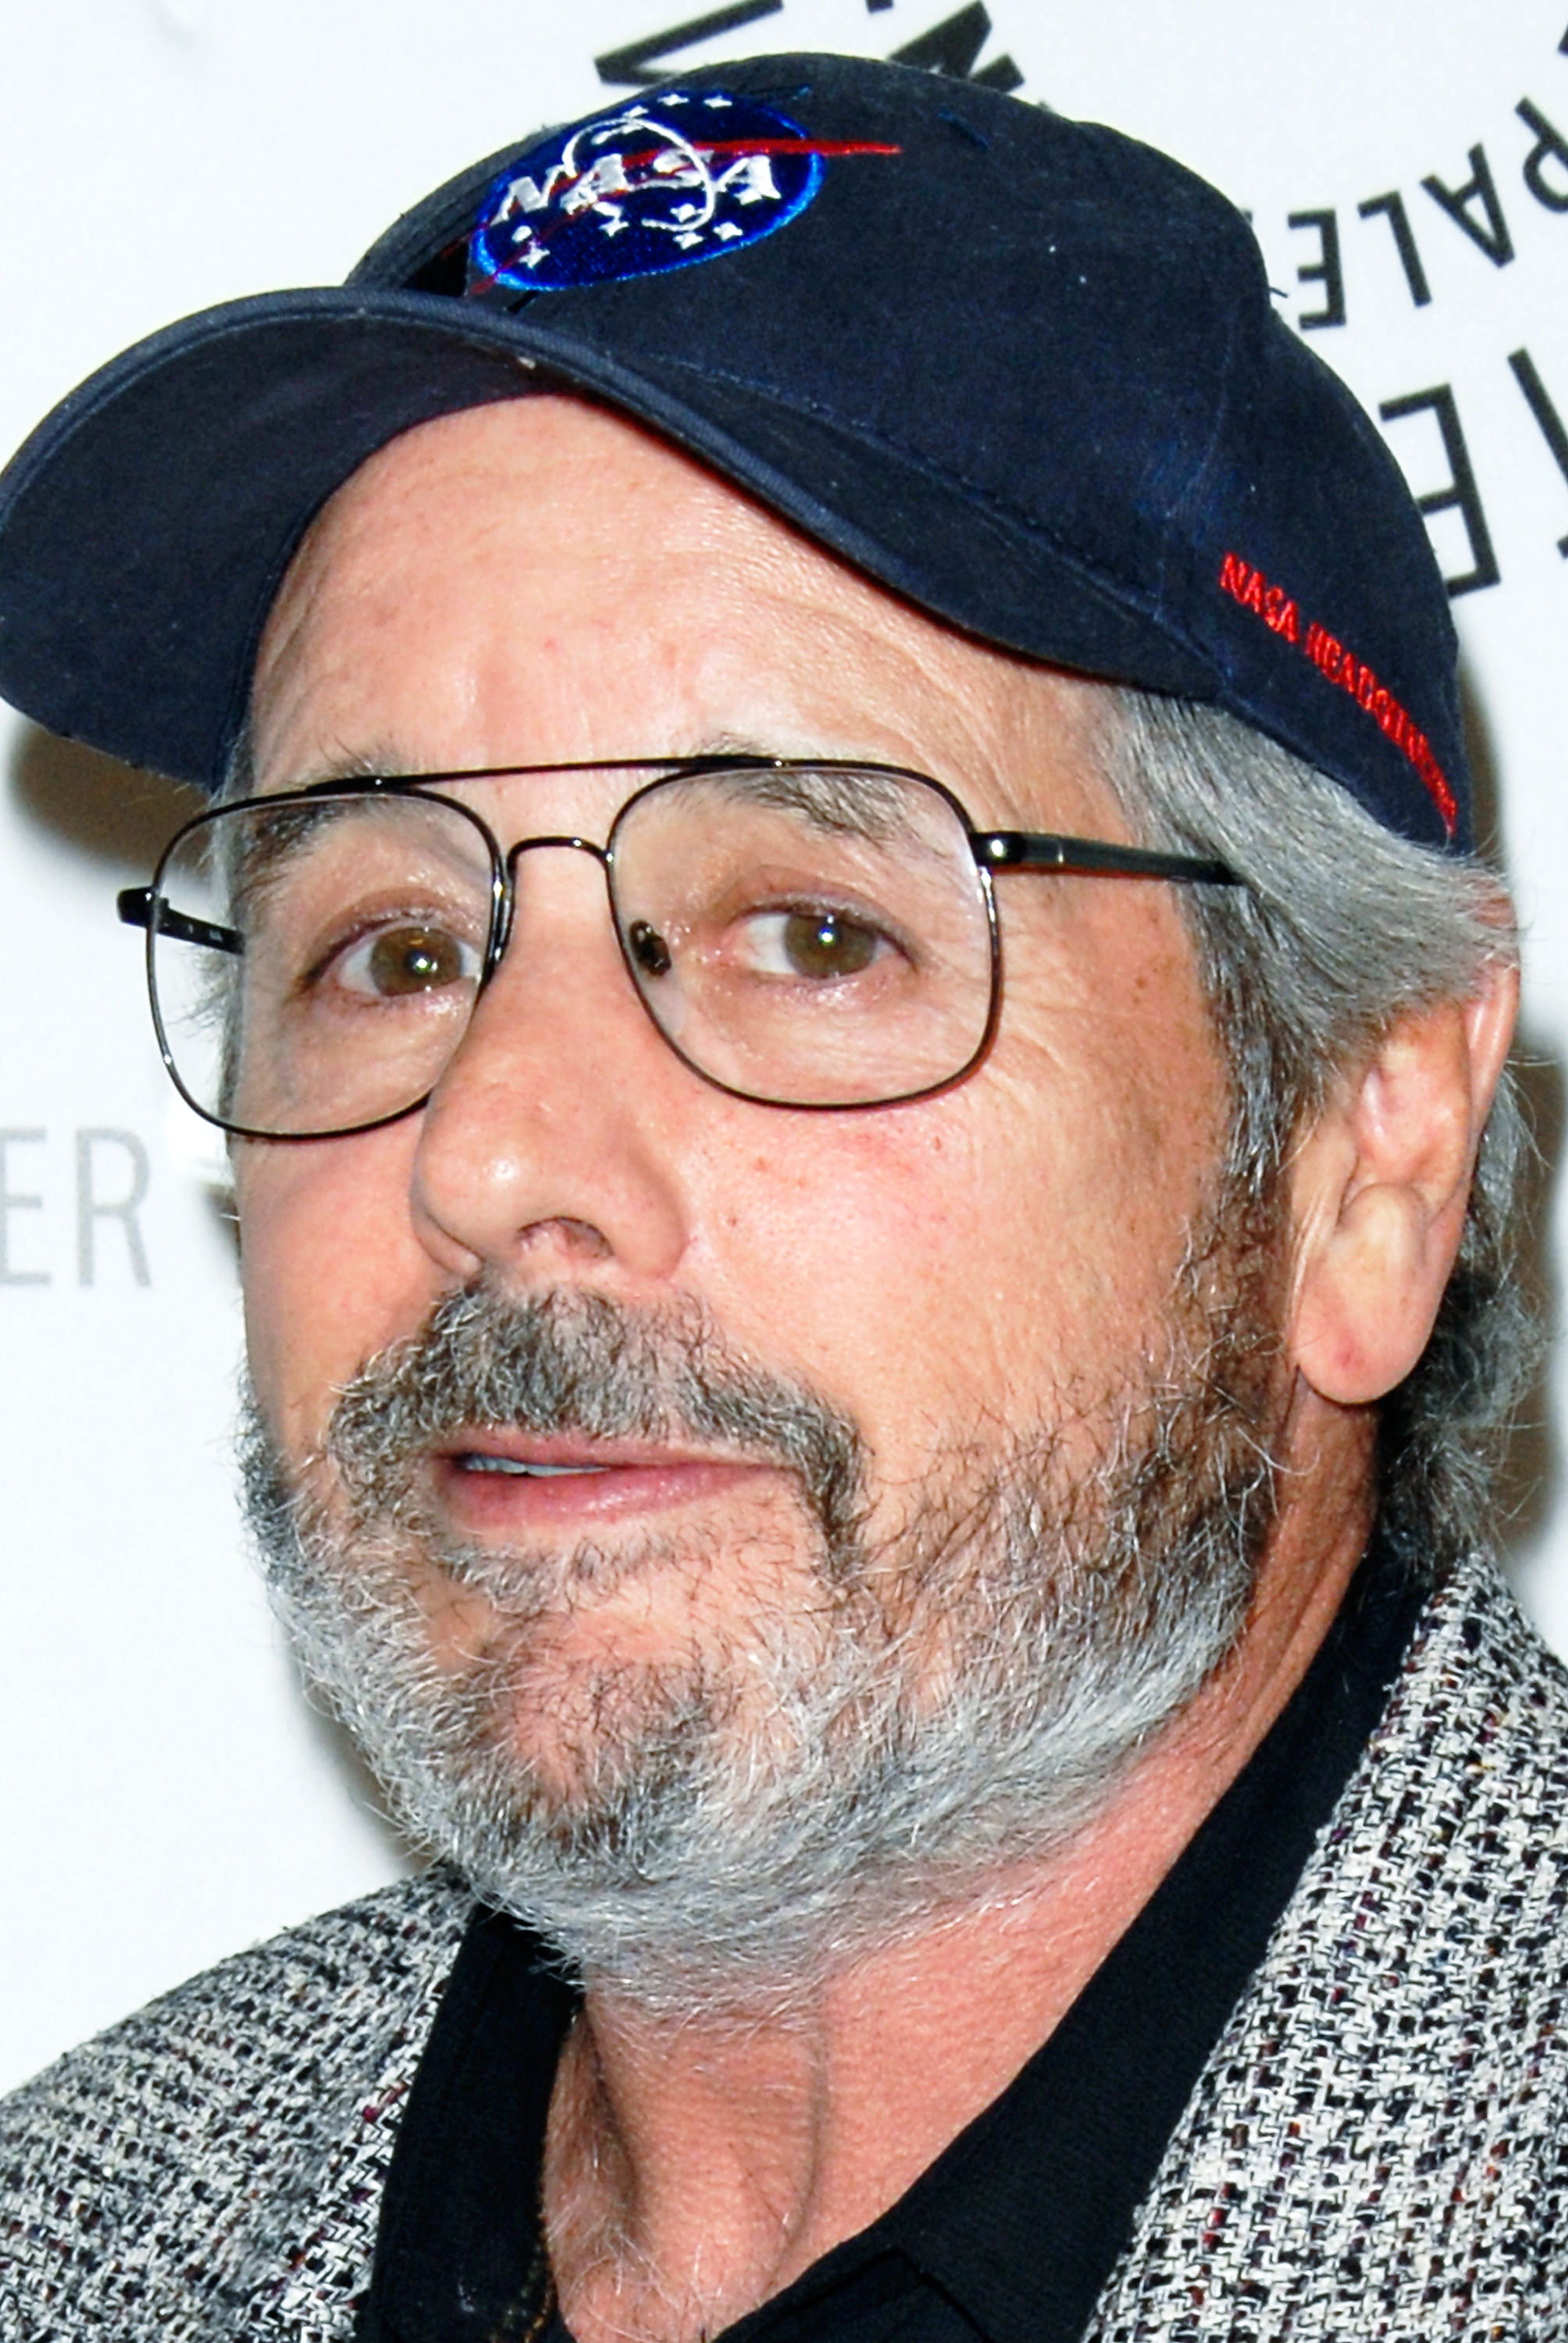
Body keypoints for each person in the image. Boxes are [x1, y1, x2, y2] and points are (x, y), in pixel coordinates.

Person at [0, 48, 1560, 2341]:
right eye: (395, 951)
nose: (493, 1151)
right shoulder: (78, 2232)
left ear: (1364, 1154)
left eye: (815, 933)